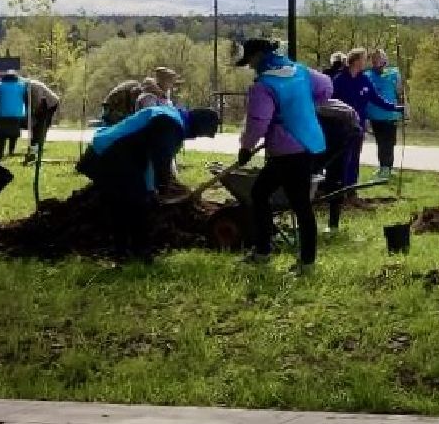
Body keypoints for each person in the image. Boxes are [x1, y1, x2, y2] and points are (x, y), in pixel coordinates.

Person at [78, 102, 219, 256]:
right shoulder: (171, 124)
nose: (195, 138)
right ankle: (138, 253)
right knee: (136, 204)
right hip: (110, 154)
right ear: (197, 126)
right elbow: (161, 160)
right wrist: (163, 186)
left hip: (106, 150)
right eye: (200, 134)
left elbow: (147, 159)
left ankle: (124, 251)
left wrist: (152, 188)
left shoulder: (169, 115)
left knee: (123, 204)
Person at [237, 38, 331, 268]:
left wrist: (246, 148)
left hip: (287, 151)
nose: (249, 66)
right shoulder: (300, 70)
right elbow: (326, 86)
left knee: (298, 204)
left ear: (258, 56)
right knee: (261, 193)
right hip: (310, 143)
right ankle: (263, 250)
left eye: (249, 60)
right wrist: (304, 106)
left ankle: (303, 261)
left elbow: (258, 122)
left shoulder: (263, 85)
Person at [332, 47, 404, 195]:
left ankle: (351, 192)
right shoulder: (339, 80)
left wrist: (395, 107)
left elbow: (376, 98)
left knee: (354, 158)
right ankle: (338, 191)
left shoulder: (364, 79)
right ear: (357, 61)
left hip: (358, 126)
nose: (367, 62)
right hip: (341, 126)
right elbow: (331, 102)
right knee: (343, 158)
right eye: (365, 59)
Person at [315, 97, 363, 231]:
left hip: (343, 135)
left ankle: (333, 224)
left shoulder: (323, 109)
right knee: (331, 178)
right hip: (339, 134)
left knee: (334, 180)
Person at [365, 49, 404, 181]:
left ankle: (387, 167)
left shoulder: (394, 73)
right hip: (375, 115)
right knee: (381, 142)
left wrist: (402, 109)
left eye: (379, 59)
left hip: (391, 114)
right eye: (374, 59)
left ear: (385, 60)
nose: (377, 62)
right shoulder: (368, 75)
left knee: (389, 142)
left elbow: (399, 92)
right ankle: (384, 167)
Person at [0, 70, 30, 159]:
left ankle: (0, 153)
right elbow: (27, 99)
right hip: (16, 114)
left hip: (2, 114)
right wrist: (27, 109)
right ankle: (11, 151)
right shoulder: (22, 86)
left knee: (1, 135)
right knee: (13, 134)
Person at [23, 77, 60, 163]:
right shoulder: (26, 88)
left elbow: (38, 101)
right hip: (41, 105)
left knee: (41, 126)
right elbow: (28, 104)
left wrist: (34, 114)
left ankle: (38, 145)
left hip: (50, 104)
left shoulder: (33, 86)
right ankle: (35, 145)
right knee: (36, 126)